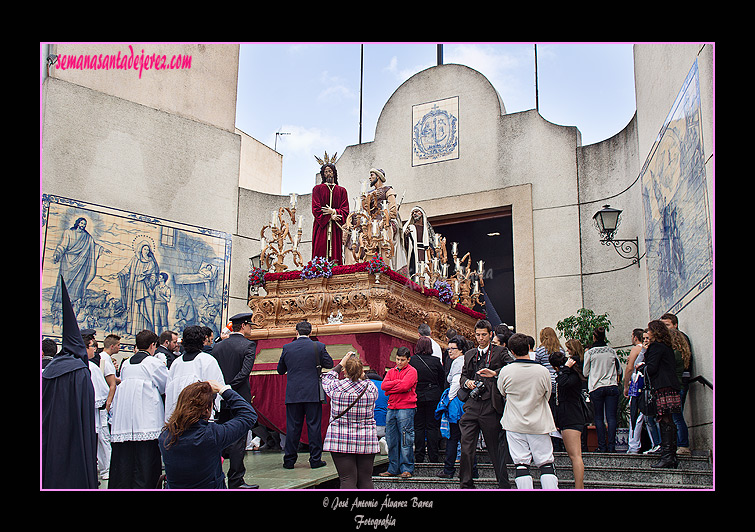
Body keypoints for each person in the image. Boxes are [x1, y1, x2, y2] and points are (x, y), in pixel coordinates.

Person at [42, 278, 98, 489]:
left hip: (49, 432)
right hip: (73, 436)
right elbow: (85, 411)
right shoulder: (80, 371)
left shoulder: (51, 368)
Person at [159, 380, 257, 488]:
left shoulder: (165, 436)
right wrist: (223, 389)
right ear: (207, 409)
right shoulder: (211, 435)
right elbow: (248, 415)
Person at [108, 329, 169, 489]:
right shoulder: (154, 363)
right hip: (146, 416)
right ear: (152, 345)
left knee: (125, 457)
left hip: (126, 417)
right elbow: (165, 385)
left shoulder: (126, 364)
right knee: (145, 458)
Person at [497, 333, 559, 489]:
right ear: (529, 348)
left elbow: (502, 392)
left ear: (511, 351)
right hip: (539, 422)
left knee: (521, 464)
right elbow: (548, 393)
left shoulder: (506, 371)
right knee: (545, 462)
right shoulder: (542, 371)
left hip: (514, 422)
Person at [458, 319, 513, 489]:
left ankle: (503, 484)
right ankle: (466, 484)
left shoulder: (500, 352)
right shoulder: (469, 354)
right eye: (477, 335)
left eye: (483, 335)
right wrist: (467, 383)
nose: (480, 338)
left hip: (491, 404)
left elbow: (512, 368)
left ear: (491, 335)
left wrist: (494, 373)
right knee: (466, 447)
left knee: (495, 449)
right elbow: (462, 377)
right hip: (472, 404)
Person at [277, 320, 334, 469]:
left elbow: (280, 370)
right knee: (314, 426)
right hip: (312, 393)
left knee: (293, 428)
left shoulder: (287, 348)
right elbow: (329, 364)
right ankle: (315, 460)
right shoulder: (318, 346)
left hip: (293, 393)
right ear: (310, 333)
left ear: (296, 332)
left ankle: (289, 460)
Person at [210, 312, 258, 489]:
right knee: (238, 438)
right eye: (250, 325)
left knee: (219, 437)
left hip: (220, 398)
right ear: (244, 326)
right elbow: (245, 372)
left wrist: (221, 389)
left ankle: (216, 475)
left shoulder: (218, 346)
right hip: (238, 397)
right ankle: (236, 479)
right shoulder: (248, 345)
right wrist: (229, 388)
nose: (251, 329)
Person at [321, 351, 379, 489]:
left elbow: (326, 377)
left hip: (340, 437)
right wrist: (359, 373)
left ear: (345, 371)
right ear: (361, 371)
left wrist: (341, 363)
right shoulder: (370, 388)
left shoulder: (336, 387)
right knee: (366, 479)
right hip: (366, 438)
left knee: (347, 479)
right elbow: (367, 382)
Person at [164, 325, 226, 423]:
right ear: (202, 341)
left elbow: (169, 390)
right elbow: (217, 387)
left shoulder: (176, 363)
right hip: (199, 418)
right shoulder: (207, 360)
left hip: (178, 416)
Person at [645, 320, 682, 468]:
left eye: (649, 330)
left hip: (662, 385)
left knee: (664, 418)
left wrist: (642, 368)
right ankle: (670, 455)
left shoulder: (655, 347)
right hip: (671, 384)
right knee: (669, 419)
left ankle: (667, 456)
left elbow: (652, 368)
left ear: (654, 332)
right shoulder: (667, 347)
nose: (647, 333)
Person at [380, 346, 418, 478]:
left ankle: (406, 468)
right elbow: (384, 386)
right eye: (397, 359)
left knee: (405, 439)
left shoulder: (412, 371)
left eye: (402, 360)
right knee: (391, 439)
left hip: (406, 407)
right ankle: (393, 467)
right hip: (393, 407)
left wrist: (392, 387)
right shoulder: (391, 371)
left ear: (408, 359)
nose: (399, 362)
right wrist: (398, 384)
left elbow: (405, 386)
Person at [549, 351, 585, 489]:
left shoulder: (570, 375)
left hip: (572, 417)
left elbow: (562, 382)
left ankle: (579, 486)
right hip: (565, 417)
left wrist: (565, 369)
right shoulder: (567, 374)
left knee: (575, 455)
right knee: (573, 455)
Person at [582, 326, 620, 452]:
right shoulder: (611, 351)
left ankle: (602, 446)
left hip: (597, 386)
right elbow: (619, 369)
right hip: (611, 384)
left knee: (598, 417)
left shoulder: (590, 353)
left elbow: (585, 372)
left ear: (594, 337)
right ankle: (612, 446)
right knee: (611, 417)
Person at [410, 336, 445, 464]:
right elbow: (442, 379)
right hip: (433, 396)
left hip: (417, 396)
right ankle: (433, 456)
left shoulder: (412, 361)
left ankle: (419, 456)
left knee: (418, 426)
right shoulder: (435, 361)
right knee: (432, 427)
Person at [661, 312, 692, 455]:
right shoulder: (679, 340)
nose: (666, 329)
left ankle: (683, 445)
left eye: (667, 325)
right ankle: (679, 444)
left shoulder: (677, 339)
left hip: (678, 381)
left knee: (676, 415)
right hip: (681, 379)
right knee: (675, 415)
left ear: (675, 324)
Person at [84, 334, 112, 482]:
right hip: (93, 415)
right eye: (92, 346)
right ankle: (103, 471)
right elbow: (102, 393)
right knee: (99, 442)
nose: (94, 350)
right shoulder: (91, 367)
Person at [311, 156, 349, 265]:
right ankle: (318, 270)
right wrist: (329, 217)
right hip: (321, 226)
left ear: (334, 173)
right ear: (323, 174)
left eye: (330, 171)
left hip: (336, 228)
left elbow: (345, 210)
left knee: (335, 253)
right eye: (326, 171)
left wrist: (334, 212)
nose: (328, 173)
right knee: (320, 248)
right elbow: (316, 209)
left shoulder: (342, 191)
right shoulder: (317, 189)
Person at [437, 336, 466, 479]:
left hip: (456, 404)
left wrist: (448, 400)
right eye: (448, 348)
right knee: (464, 438)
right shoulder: (459, 361)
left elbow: (456, 382)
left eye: (453, 348)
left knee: (454, 437)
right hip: (461, 404)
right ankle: (470, 470)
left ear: (461, 349)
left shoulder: (458, 362)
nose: (449, 351)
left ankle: (449, 469)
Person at [624, 328, 652, 454]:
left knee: (637, 416)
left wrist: (626, 386)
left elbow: (630, 368)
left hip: (639, 386)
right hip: (644, 385)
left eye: (648, 338)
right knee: (644, 417)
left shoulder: (637, 349)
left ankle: (634, 445)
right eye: (644, 338)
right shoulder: (644, 350)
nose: (646, 340)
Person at [402, 206, 435, 279]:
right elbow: (404, 243)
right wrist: (406, 236)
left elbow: (431, 241)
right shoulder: (410, 227)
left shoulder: (427, 228)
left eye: (417, 212)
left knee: (426, 271)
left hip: (425, 253)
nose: (414, 214)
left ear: (422, 214)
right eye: (413, 213)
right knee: (415, 271)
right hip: (414, 253)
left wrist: (431, 249)